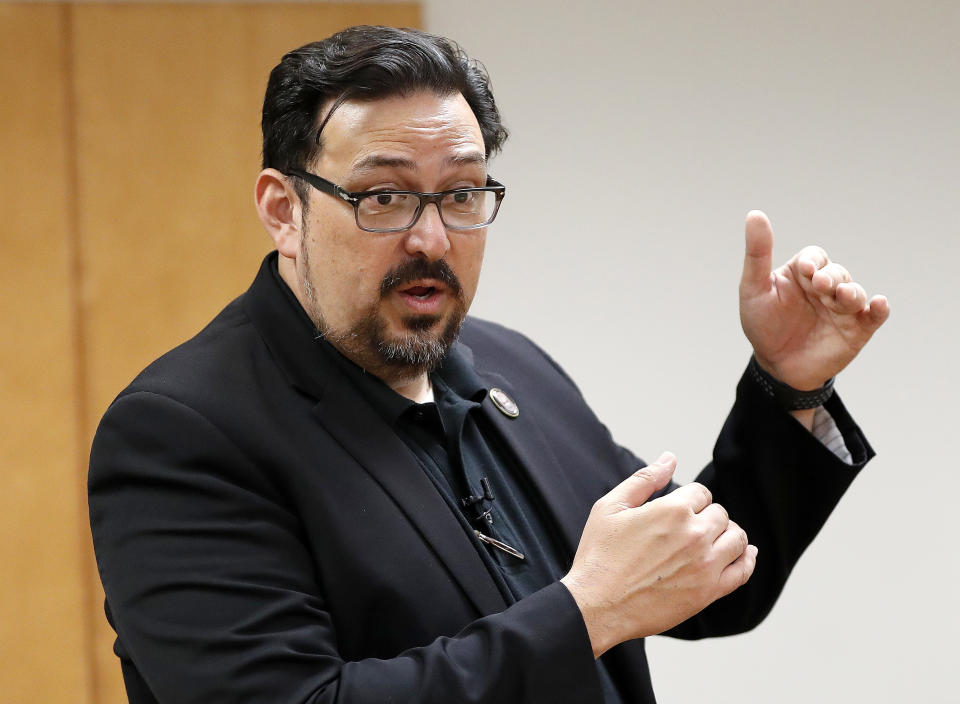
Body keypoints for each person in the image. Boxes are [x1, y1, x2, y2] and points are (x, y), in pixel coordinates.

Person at [88, 25, 889, 704]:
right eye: (383, 198)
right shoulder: (180, 435)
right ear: (282, 209)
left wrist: (789, 387)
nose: (432, 240)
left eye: (463, 194)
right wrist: (587, 614)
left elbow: (699, 578)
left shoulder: (511, 366)